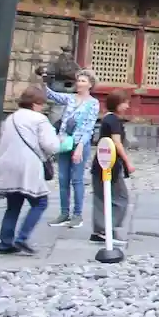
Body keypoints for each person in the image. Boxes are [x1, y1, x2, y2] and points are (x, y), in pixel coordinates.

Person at [0, 85, 58, 255]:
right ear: (35, 103)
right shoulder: (39, 119)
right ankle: (22, 237)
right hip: (28, 164)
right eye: (41, 103)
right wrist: (61, 141)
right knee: (40, 202)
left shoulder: (10, 118)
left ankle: (5, 243)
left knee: (13, 206)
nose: (42, 107)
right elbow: (51, 146)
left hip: (7, 164)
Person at [46, 70, 99, 228]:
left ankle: (77, 215)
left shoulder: (93, 103)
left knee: (77, 179)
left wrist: (80, 147)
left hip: (79, 144)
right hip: (64, 142)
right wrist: (43, 82)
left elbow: (88, 127)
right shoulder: (70, 98)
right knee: (63, 179)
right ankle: (64, 213)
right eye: (78, 80)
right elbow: (53, 95)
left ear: (90, 84)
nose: (79, 84)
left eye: (83, 81)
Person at [90, 91, 135, 244]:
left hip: (100, 162)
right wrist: (128, 161)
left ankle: (99, 230)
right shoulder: (114, 121)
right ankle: (107, 229)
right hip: (111, 163)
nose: (127, 106)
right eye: (125, 103)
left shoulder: (106, 119)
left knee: (100, 197)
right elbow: (117, 143)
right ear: (117, 104)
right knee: (121, 197)